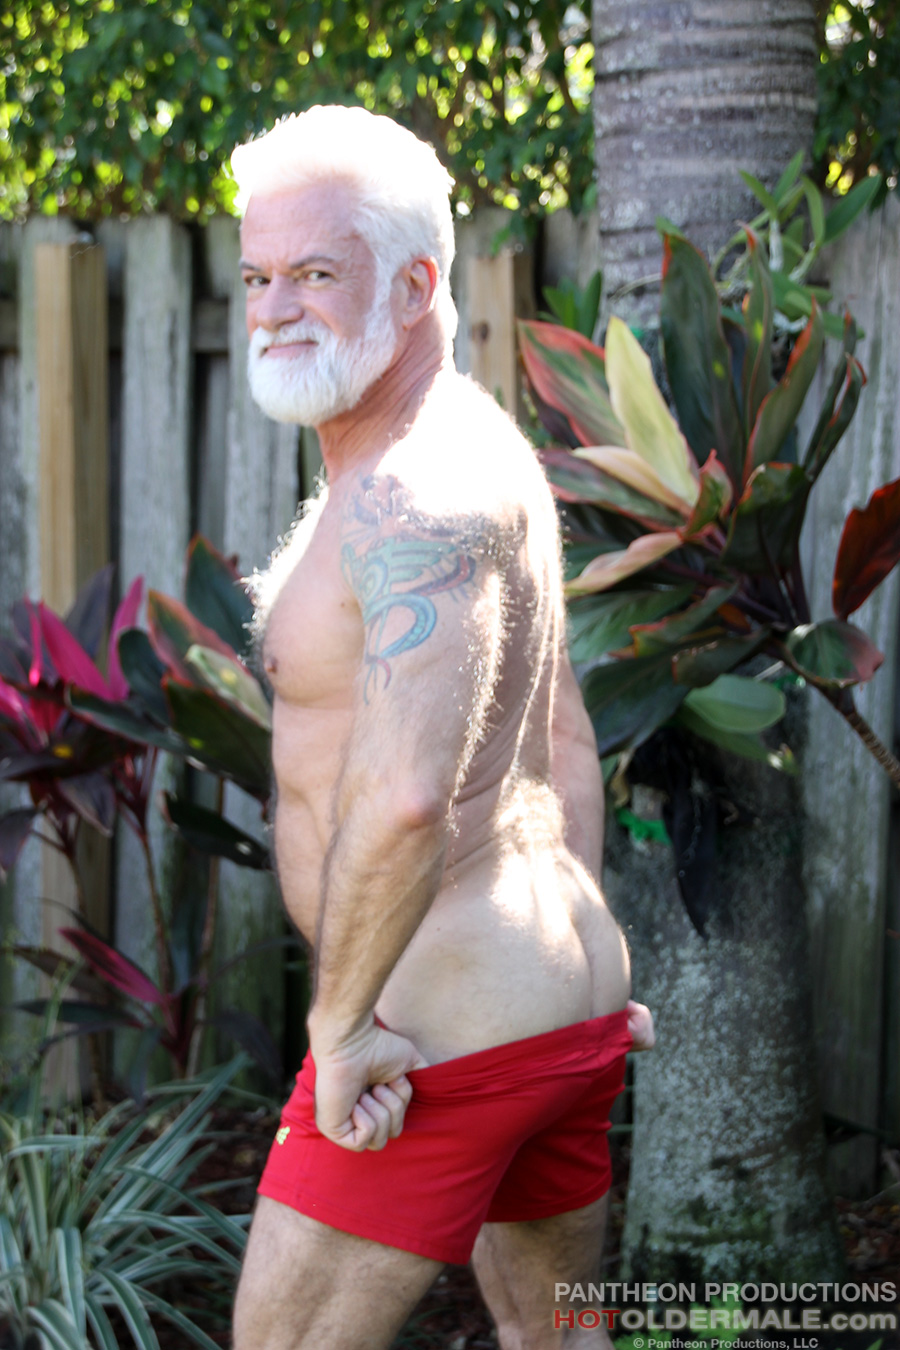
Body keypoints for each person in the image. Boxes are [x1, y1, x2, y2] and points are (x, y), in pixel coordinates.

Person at [230, 105, 655, 1350]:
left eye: (315, 274)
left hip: (435, 1035)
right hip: (555, 1000)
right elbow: (562, 738)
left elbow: (409, 797)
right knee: (556, 1333)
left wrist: (341, 1029)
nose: (273, 310)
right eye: (256, 277)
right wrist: (577, 983)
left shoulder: (415, 498)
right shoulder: (483, 452)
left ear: (416, 286)